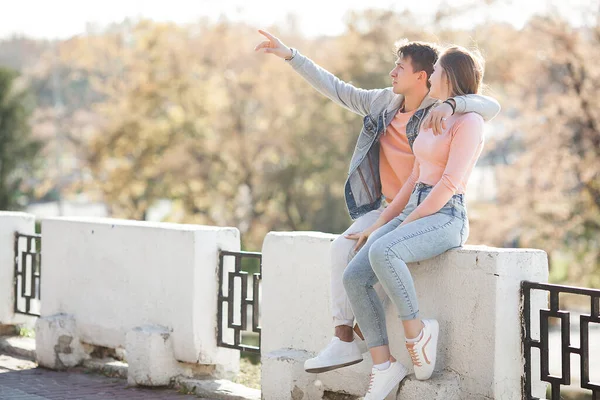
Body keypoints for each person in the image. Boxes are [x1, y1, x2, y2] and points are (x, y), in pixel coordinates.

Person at [254, 30, 500, 374]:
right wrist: (290, 55)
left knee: (381, 255)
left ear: (424, 76)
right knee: (344, 249)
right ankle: (344, 340)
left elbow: (487, 105)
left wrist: (451, 102)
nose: (392, 72)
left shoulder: (439, 111)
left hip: (427, 209)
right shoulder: (383, 102)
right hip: (389, 205)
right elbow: (336, 88)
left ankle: (382, 339)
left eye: (400, 66)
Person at [341, 45, 490, 399]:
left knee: (386, 252)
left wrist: (407, 224)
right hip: (416, 208)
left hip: (446, 215)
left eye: (437, 70)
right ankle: (384, 365)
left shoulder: (470, 122)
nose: (432, 75)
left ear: (450, 76)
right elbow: (413, 180)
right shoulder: (431, 117)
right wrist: (379, 225)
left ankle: (417, 332)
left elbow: (449, 184)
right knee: (355, 276)